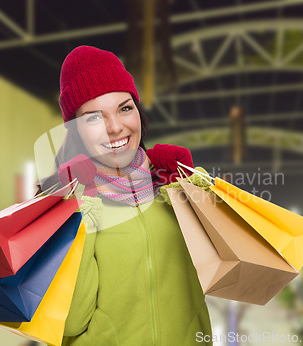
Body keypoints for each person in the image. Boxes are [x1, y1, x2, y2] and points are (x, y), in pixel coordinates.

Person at [38, 45, 212, 345]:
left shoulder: (170, 186)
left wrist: (191, 185)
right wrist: (78, 206)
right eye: (93, 117)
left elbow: (222, 264)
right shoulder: (63, 201)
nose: (116, 127)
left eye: (125, 107)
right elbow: (71, 321)